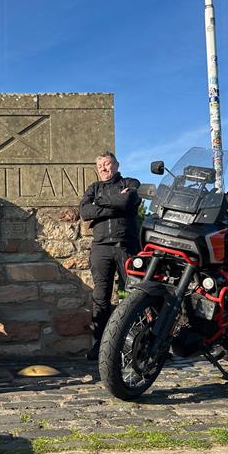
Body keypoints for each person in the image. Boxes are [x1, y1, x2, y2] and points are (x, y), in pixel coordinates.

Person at [79, 151, 142, 361]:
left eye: (107, 164)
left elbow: (127, 202)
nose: (104, 169)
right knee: (101, 297)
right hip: (101, 248)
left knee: (136, 293)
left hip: (126, 245)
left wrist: (101, 203)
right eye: (100, 166)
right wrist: (113, 202)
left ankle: (143, 342)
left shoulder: (130, 182)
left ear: (116, 164)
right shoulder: (93, 188)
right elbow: (85, 212)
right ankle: (100, 345)